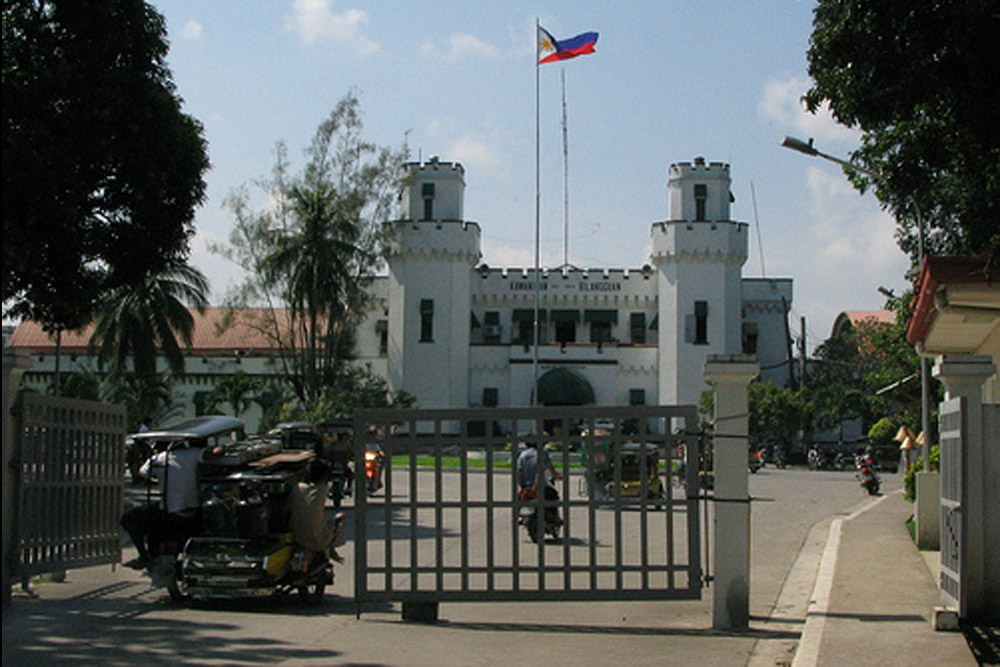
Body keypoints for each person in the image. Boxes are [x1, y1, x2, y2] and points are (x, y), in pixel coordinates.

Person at [120, 440, 206, 569]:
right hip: (196, 508)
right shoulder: (196, 454)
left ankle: (143, 556)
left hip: (168, 509)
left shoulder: (158, 459)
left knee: (128, 518)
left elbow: (143, 473)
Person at [289, 458, 347, 563]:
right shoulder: (322, 489)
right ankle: (330, 549)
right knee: (340, 516)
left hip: (297, 537)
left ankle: (329, 550)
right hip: (317, 540)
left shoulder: (297, 488)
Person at [516, 440, 563, 525]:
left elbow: (519, 472)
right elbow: (541, 472)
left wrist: (521, 486)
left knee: (520, 498)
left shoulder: (522, 455)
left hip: (526, 486)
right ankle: (555, 518)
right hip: (539, 487)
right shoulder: (543, 454)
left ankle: (520, 516)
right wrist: (557, 476)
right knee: (553, 495)